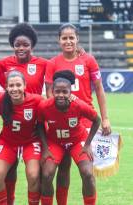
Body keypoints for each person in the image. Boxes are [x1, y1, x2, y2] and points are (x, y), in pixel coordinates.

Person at [45, 23, 111, 205]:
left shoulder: (88, 60)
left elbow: (99, 88)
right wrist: (57, 116)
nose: (68, 41)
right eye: (64, 38)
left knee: (87, 171)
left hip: (85, 123)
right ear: (59, 40)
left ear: (77, 39)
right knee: (63, 169)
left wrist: (105, 118)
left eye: (71, 37)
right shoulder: (52, 63)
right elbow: (50, 94)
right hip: (61, 123)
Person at [0, 22, 48, 204]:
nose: (21, 48)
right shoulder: (4, 64)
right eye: (17, 44)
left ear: (32, 45)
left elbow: (58, 68)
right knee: (3, 174)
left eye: (25, 44)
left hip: (32, 127)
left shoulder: (43, 63)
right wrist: (8, 89)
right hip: (10, 131)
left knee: (34, 175)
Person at [38, 70, 101, 205]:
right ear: (52, 92)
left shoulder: (78, 105)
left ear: (70, 92)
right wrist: (44, 148)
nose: (61, 95)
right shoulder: (45, 106)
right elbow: (39, 125)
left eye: (64, 92)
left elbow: (97, 120)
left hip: (77, 141)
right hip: (55, 142)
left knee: (88, 174)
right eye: (57, 92)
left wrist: (87, 144)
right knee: (47, 175)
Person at [0, 71, 43, 205]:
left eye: (18, 85)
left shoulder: (37, 100)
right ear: (6, 87)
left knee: (33, 175)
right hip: (7, 142)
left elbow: (53, 108)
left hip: (30, 142)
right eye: (11, 85)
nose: (15, 89)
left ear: (25, 85)